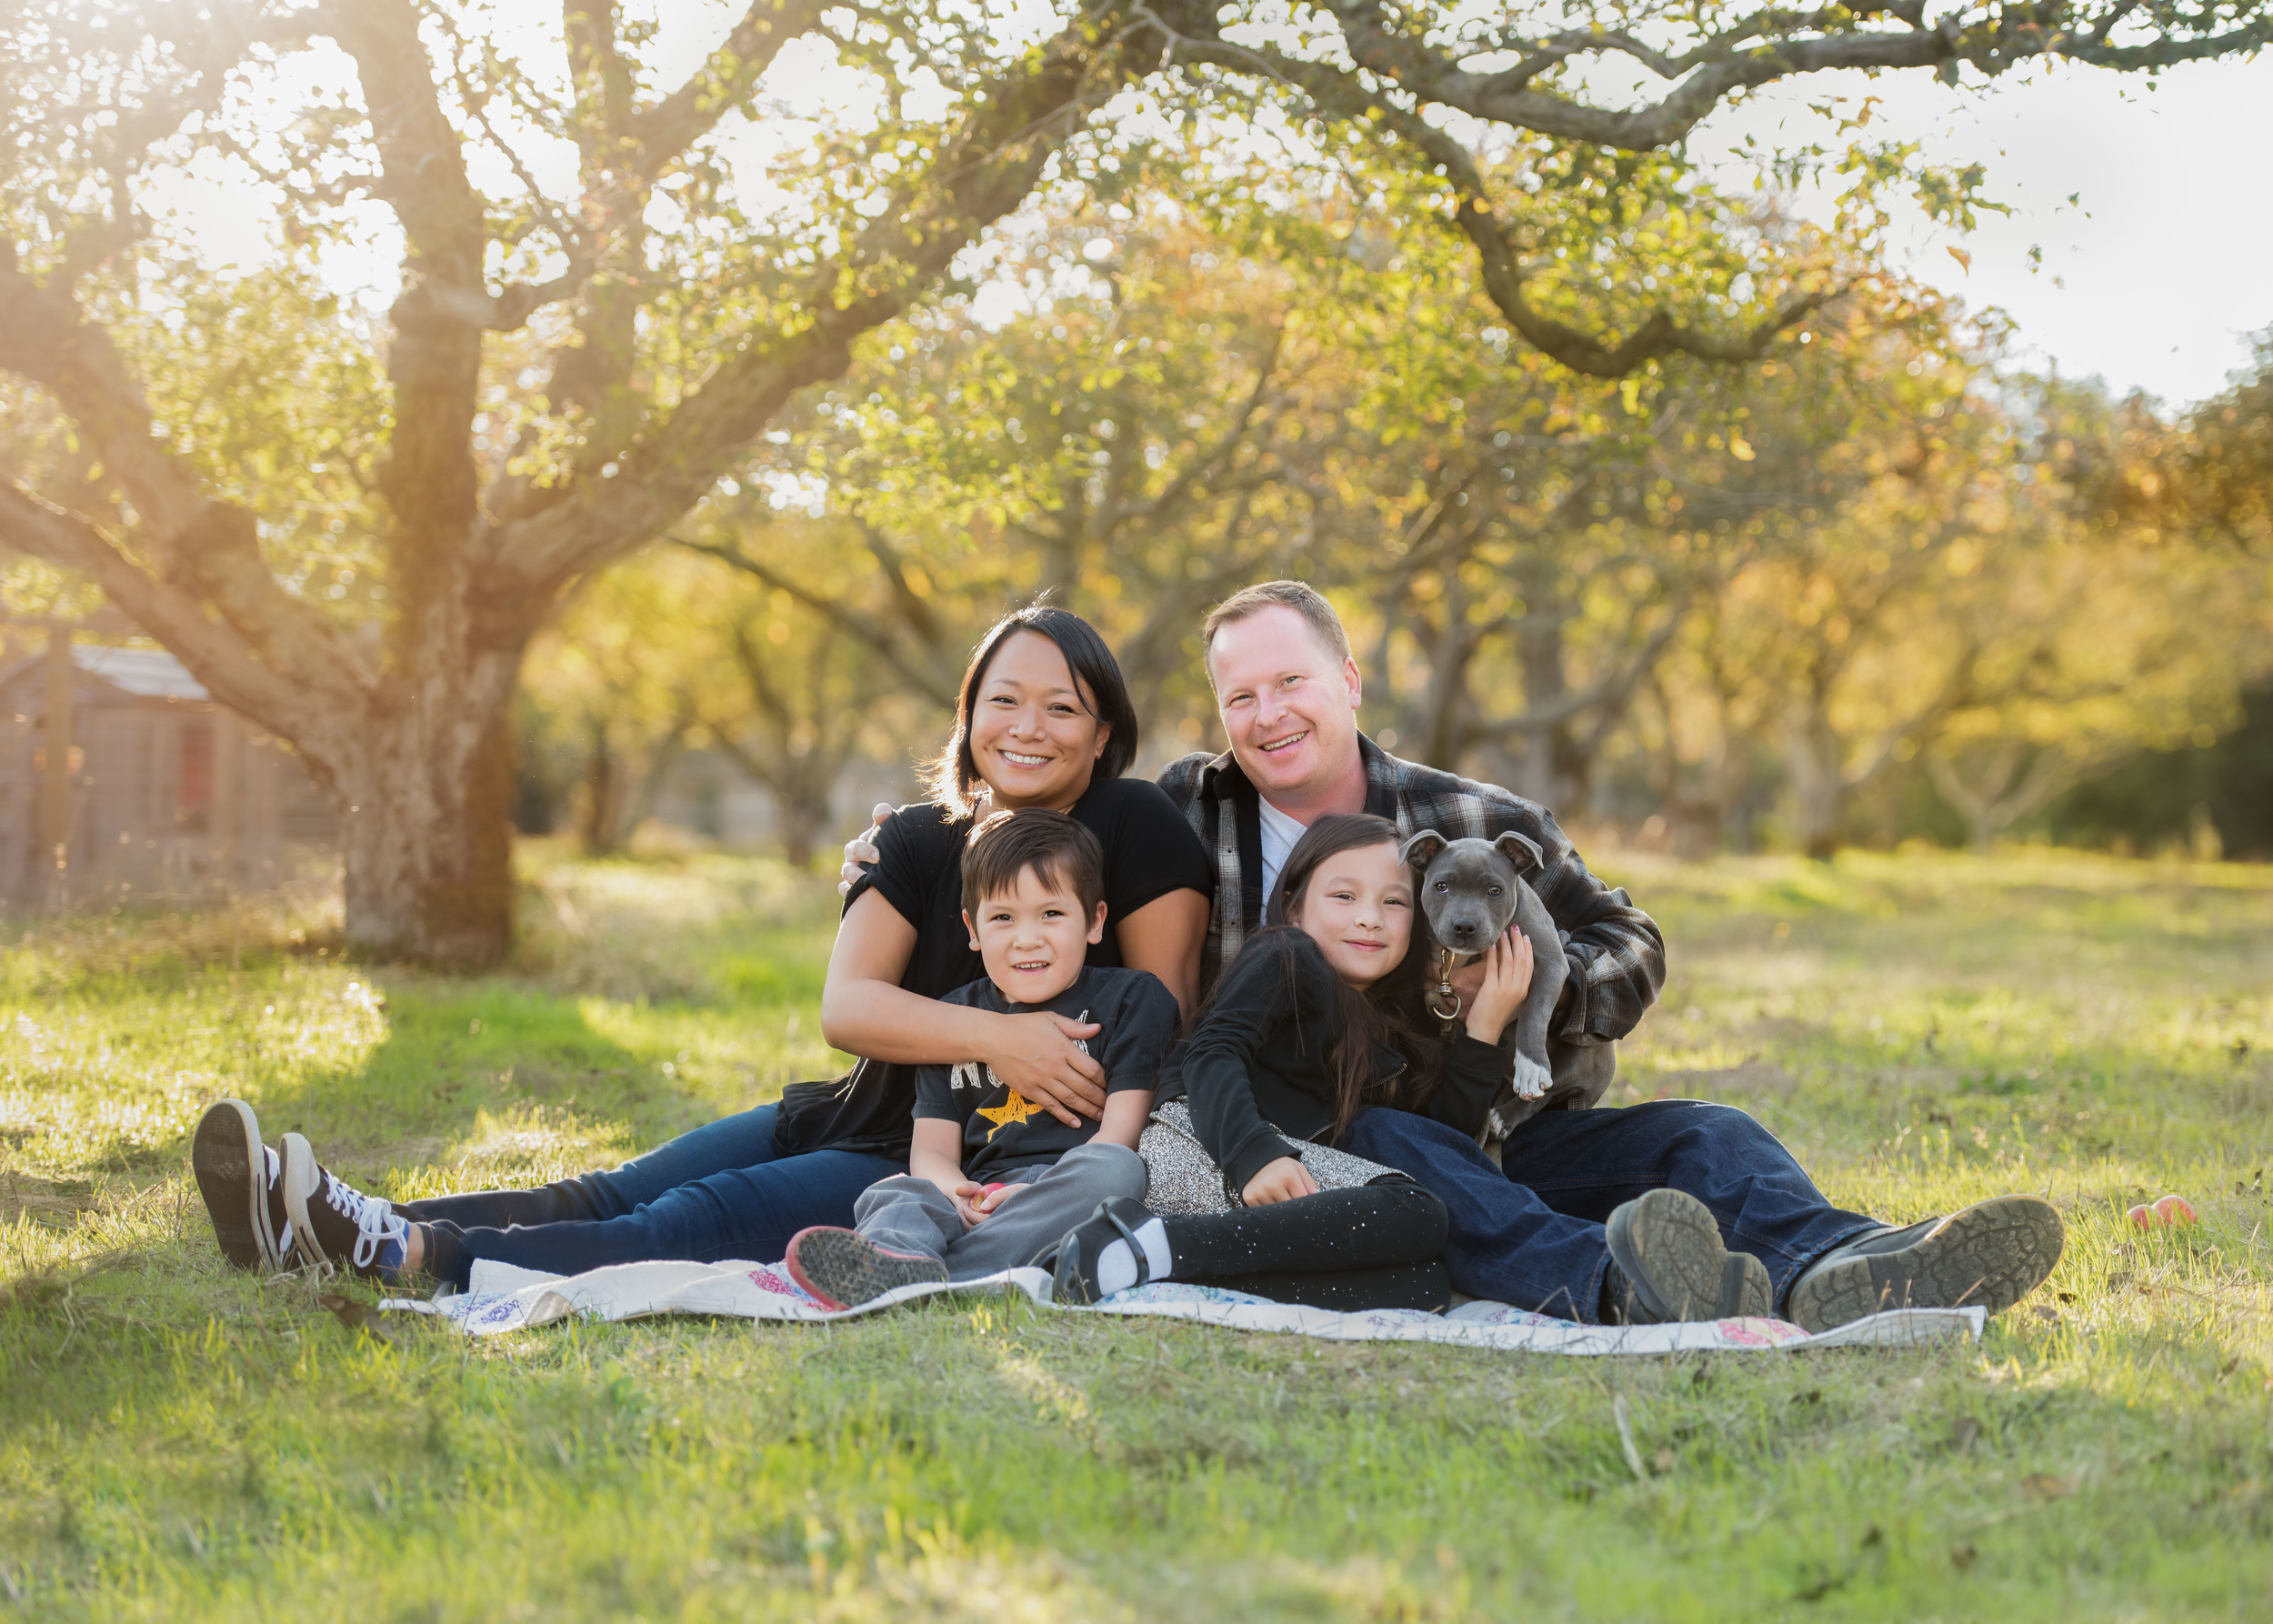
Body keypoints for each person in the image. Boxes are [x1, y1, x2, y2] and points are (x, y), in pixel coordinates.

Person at [851, 580, 2066, 1330]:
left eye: (1291, 681)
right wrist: (907, 852)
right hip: (1330, 1131)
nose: (1266, 715)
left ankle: (1853, 1266)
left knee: (1708, 1136)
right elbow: (1037, 869)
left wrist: (1537, 995)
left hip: (1498, 1109)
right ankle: (1620, 1280)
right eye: (1239, 697)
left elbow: (1628, 935)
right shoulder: (1179, 813)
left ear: (1349, 680)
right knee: (1416, 1159)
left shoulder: (1476, 819)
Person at [188, 605, 1216, 1285]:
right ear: (968, 715)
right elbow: (846, 1009)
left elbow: (1154, 1016)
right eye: (1003, 699)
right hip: (854, 1109)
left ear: (1101, 730)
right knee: (607, 1190)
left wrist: (1022, 1076)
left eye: (1061, 707)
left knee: (687, 1218)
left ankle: (401, 1250)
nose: (1027, 726)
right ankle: (323, 1217)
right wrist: (995, 1039)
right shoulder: (914, 838)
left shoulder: (1135, 827)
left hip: (973, 1158)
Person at [1048, 814, 1757, 1322]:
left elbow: (1441, 1148)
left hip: (1297, 1197)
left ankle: (1147, 1260)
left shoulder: (1396, 1031)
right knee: (1416, 1200)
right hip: (1206, 1150)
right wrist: (1253, 1155)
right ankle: (1612, 1280)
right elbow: (1209, 1053)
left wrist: (1483, 1031)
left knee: (1422, 1275)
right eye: (1343, 897)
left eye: (1393, 903)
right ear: (1294, 906)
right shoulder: (1284, 957)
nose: (1369, 919)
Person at [781, 807, 1179, 1309]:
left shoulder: (1131, 999)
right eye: (1003, 917)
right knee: (898, 1191)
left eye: (1052, 914)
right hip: (980, 1193)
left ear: (1095, 920)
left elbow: (1121, 1132)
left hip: (1066, 1188)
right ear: (973, 928)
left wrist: (1035, 1197)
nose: (1027, 938)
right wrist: (957, 1193)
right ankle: (898, 1256)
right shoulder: (954, 1017)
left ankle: (941, 1278)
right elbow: (931, 1153)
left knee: (1116, 1171)